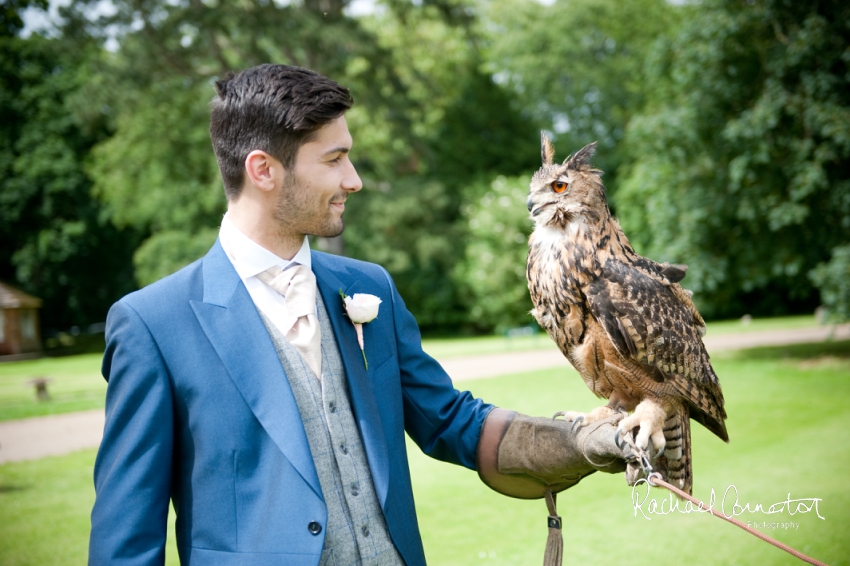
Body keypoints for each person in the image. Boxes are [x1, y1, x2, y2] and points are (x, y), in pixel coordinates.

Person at [89, 64, 634, 566]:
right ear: (263, 170)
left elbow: (449, 421)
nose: (354, 180)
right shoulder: (153, 325)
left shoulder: (368, 287)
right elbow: (125, 542)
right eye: (334, 160)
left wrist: (578, 443)